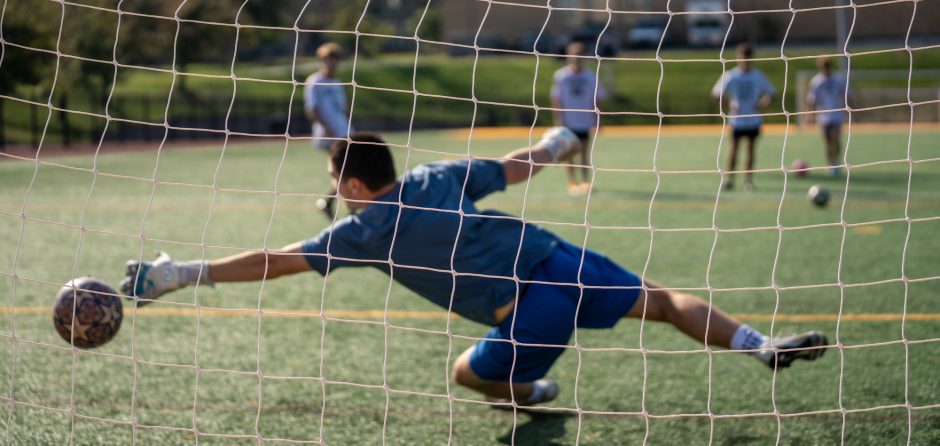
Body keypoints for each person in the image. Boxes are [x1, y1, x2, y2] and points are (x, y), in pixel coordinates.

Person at [120, 128, 828, 407]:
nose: (334, 185)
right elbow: (519, 167)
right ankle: (758, 344)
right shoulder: (435, 176)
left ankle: (528, 391)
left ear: (355, 186)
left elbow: (274, 261)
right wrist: (562, 138)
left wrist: (184, 272)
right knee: (668, 301)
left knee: (467, 375)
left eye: (336, 176)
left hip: (528, 316)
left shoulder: (366, 231)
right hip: (560, 258)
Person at [711, 43, 776, 191]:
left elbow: (771, 93)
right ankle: (730, 179)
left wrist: (762, 105)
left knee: (750, 150)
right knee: (733, 149)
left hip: (753, 119)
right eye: (743, 57)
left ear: (752, 58)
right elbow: (716, 93)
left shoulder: (758, 76)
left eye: (748, 57)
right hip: (737, 120)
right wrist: (728, 104)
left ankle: (748, 180)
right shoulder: (731, 75)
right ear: (738, 58)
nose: (745, 60)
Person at [304, 42, 354, 218]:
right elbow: (312, 109)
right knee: (345, 169)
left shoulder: (337, 82)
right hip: (328, 136)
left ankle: (330, 202)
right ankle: (348, 206)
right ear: (321, 61)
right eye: (327, 59)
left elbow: (342, 109)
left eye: (334, 59)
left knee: (346, 170)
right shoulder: (314, 81)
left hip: (344, 133)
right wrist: (328, 129)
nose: (331, 63)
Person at [551, 42, 607, 196]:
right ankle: (572, 182)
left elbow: (597, 99)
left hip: (584, 120)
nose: (576, 60)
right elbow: (556, 99)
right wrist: (558, 119)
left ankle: (585, 182)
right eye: (573, 57)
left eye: (579, 57)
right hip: (568, 121)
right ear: (568, 57)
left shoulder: (591, 77)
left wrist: (598, 120)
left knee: (584, 153)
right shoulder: (561, 75)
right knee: (569, 154)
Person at [807, 57, 851, 177]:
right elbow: (812, 100)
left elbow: (846, 95)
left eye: (826, 66)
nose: (825, 69)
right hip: (823, 116)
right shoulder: (816, 81)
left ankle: (836, 163)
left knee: (835, 138)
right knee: (827, 141)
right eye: (822, 67)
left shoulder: (838, 80)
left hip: (837, 115)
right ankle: (830, 164)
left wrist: (850, 110)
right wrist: (810, 115)